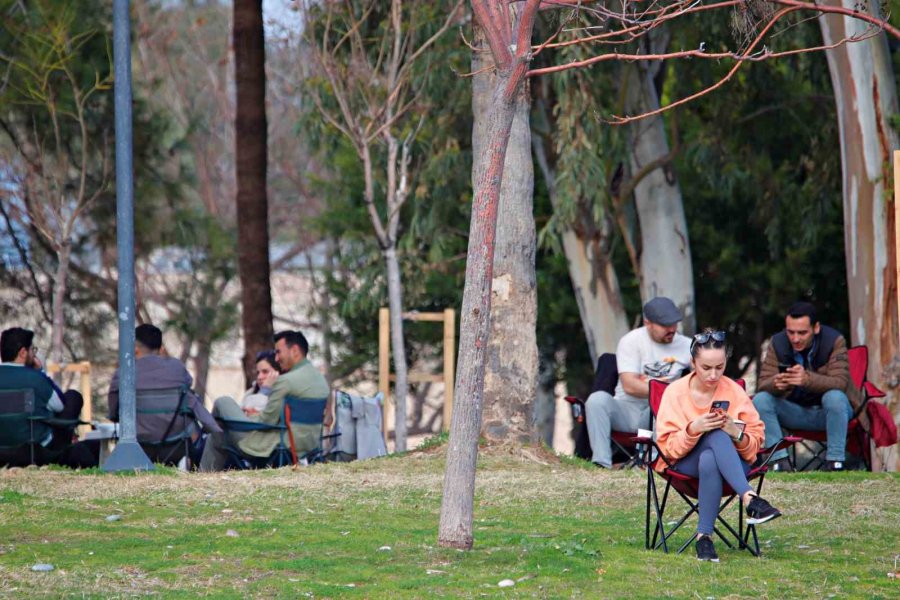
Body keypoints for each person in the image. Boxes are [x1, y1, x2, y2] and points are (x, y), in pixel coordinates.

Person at [656, 329, 782, 562]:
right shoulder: (675, 392)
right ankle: (750, 499)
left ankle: (704, 538)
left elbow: (754, 446)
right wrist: (694, 428)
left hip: (732, 467)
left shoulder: (734, 390)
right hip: (684, 466)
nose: (714, 375)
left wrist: (735, 432)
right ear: (693, 362)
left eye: (720, 367)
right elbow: (668, 449)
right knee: (714, 435)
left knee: (713, 452)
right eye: (706, 368)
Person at [200, 330, 331, 471]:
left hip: (276, 446)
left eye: (279, 352)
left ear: (294, 351)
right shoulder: (321, 381)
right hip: (308, 445)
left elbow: (266, 421)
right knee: (217, 436)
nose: (276, 358)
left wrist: (248, 415)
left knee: (223, 402)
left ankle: (205, 434)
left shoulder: (286, 381)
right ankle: (204, 478)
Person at [585, 297, 692, 467]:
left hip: (662, 411)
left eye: (674, 324)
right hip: (628, 409)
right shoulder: (631, 341)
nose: (671, 329)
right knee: (596, 400)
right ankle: (601, 464)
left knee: (662, 406)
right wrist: (669, 390)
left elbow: (702, 377)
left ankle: (655, 464)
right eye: (665, 325)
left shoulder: (687, 345)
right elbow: (630, 386)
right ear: (648, 323)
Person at [752, 301, 856, 472]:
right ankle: (779, 462)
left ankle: (835, 462)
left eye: (802, 333)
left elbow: (840, 382)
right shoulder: (777, 343)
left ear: (816, 328)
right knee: (761, 400)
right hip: (795, 412)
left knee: (835, 397)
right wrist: (776, 384)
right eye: (790, 332)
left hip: (831, 413)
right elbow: (763, 384)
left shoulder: (834, 341)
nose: (795, 338)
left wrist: (806, 379)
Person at [108, 323, 221, 464]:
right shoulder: (177, 367)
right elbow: (188, 388)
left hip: (139, 445)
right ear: (161, 349)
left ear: (135, 349)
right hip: (177, 445)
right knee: (189, 403)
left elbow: (113, 413)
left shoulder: (124, 373)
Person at [0, 327, 97, 468]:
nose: (34, 355)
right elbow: (59, 405)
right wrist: (41, 372)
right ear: (22, 352)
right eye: (33, 350)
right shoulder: (34, 378)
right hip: (34, 450)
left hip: (2, 452)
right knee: (72, 397)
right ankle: (61, 450)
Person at [241, 350, 281, 416]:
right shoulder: (251, 392)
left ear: (278, 373)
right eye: (258, 373)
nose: (259, 377)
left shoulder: (284, 393)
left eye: (265, 372)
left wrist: (264, 391)